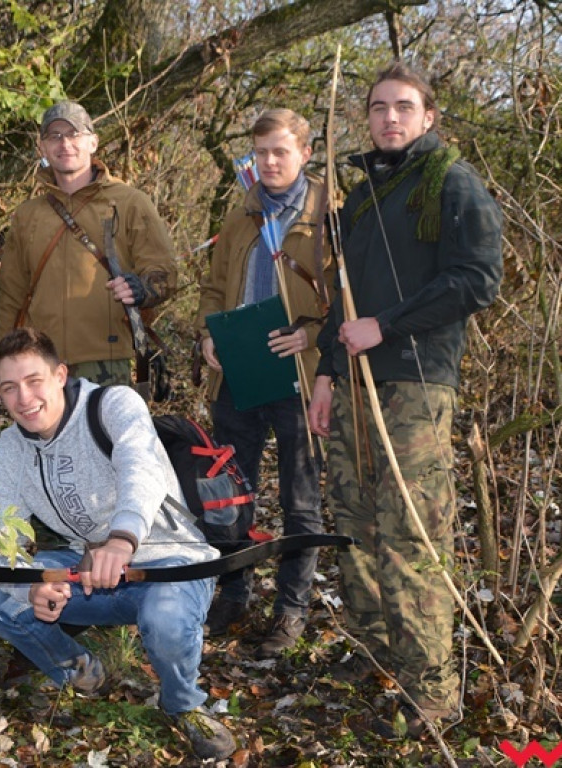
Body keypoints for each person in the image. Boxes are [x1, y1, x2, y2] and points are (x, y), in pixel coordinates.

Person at [307, 62, 503, 735]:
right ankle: (372, 654)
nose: (389, 118)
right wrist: (329, 373)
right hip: (356, 382)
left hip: (417, 382)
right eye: (378, 107)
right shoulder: (362, 198)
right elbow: (343, 300)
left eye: (403, 107)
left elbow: (477, 279)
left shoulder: (451, 181)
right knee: (356, 524)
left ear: (427, 116)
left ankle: (432, 691)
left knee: (411, 534)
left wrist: (386, 327)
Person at [0, 328, 237, 762]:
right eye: (9, 388)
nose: (24, 398)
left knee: (167, 620)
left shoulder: (113, 405)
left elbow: (141, 470)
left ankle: (184, 704)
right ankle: (81, 670)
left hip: (169, 563)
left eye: (34, 381)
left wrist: (122, 538)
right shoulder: (9, 451)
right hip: (90, 572)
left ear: (60, 375)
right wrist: (29, 588)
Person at [194, 109, 335, 656]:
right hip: (238, 375)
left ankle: (291, 611)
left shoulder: (329, 216)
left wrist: (313, 337)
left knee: (301, 499)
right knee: (231, 493)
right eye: (261, 153)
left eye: (280, 151)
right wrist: (210, 335)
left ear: (303, 152)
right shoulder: (241, 215)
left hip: (299, 378)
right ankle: (233, 596)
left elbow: (350, 297)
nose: (269, 162)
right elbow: (212, 286)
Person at [0, 101, 177, 387]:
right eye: (54, 136)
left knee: (107, 433)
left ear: (93, 142)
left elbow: (164, 273)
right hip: (41, 362)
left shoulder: (129, 202)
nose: (65, 143)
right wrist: (1, 359)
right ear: (42, 148)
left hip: (107, 359)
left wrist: (141, 288)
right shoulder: (28, 214)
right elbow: (11, 296)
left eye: (74, 134)